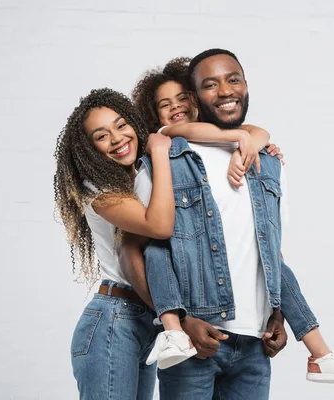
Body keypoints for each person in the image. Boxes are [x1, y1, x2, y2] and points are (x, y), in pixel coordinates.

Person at [124, 50, 334, 399]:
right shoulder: (163, 159)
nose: (225, 91)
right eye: (211, 84)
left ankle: (320, 353)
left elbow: (271, 250)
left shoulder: (268, 161)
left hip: (255, 345)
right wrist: (179, 322)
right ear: (199, 96)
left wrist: (277, 311)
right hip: (197, 339)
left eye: (233, 79)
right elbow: (138, 250)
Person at [54, 88, 284, 399]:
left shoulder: (137, 174)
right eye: (101, 135)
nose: (117, 138)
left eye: (121, 125)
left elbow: (244, 132)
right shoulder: (99, 190)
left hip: (148, 321)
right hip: (115, 319)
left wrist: (251, 146)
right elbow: (160, 227)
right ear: (89, 149)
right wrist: (161, 154)